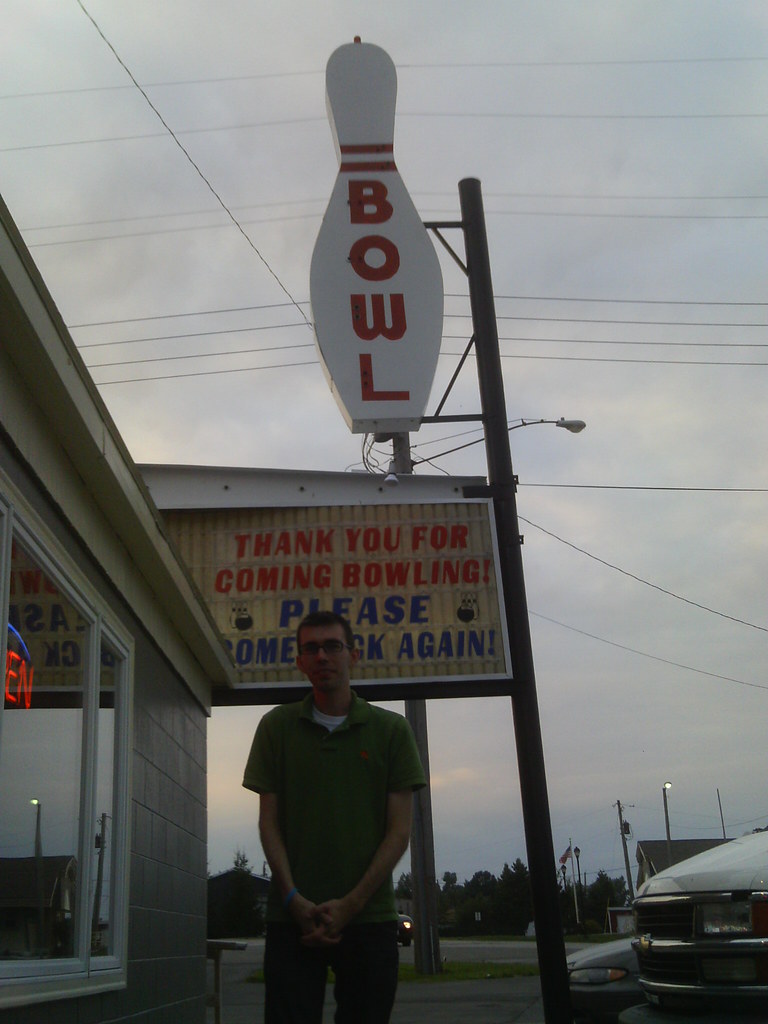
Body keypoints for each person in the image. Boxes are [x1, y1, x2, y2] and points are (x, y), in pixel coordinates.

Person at [242, 610, 426, 1024]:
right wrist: (293, 899)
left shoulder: (392, 731)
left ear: (353, 655)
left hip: (371, 919)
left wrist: (351, 904)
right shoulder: (275, 728)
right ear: (299, 661)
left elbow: (399, 832)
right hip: (291, 921)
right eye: (311, 648)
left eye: (332, 646)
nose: (322, 655)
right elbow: (268, 824)